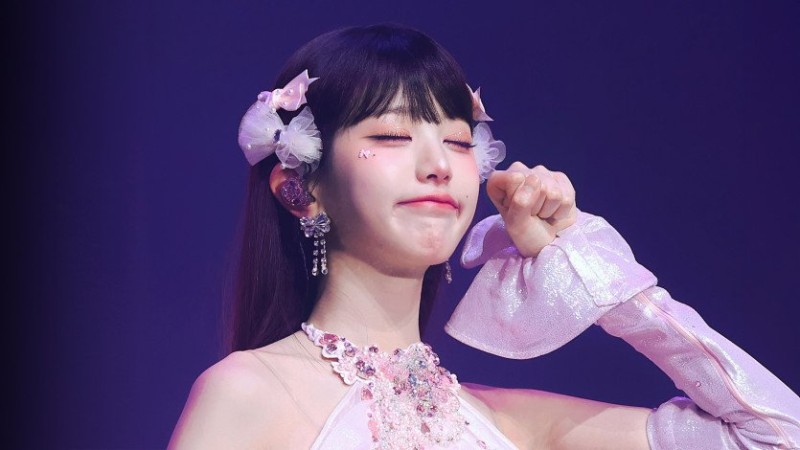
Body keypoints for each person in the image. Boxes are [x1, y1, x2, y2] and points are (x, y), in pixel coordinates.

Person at [167, 24, 800, 449]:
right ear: (300, 188)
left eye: (458, 141)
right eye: (390, 136)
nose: (438, 165)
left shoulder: (507, 423)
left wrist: (575, 253)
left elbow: (775, 434)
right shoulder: (248, 392)